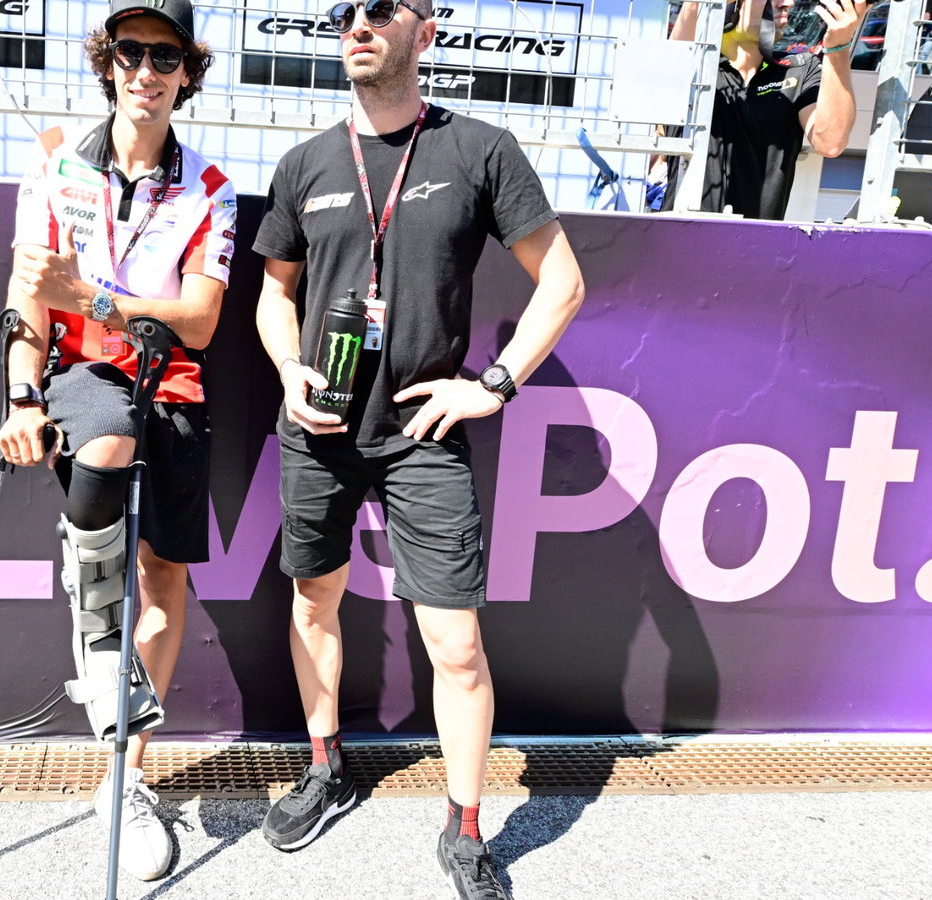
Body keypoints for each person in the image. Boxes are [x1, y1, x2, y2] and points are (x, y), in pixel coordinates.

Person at [251, 0, 585, 896]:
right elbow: (275, 296)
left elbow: (562, 281)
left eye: (379, 7)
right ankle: (325, 765)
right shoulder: (304, 164)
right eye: (342, 11)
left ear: (425, 30)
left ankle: (466, 828)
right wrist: (288, 371)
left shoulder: (479, 149)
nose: (357, 23)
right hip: (319, 429)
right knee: (313, 602)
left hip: (421, 435)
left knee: (457, 645)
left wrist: (493, 384)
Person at [0, 0, 234, 882]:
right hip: (87, 375)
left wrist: (94, 298)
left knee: (165, 580)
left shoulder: (210, 185)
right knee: (106, 444)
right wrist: (22, 395)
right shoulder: (56, 157)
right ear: (107, 63)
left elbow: (198, 322)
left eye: (165, 57)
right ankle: (95, 628)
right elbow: (29, 296)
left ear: (187, 73)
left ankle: (125, 776)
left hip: (172, 382)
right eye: (130, 52)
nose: (146, 71)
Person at [665, 0, 870, 219]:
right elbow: (688, 22)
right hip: (681, 232)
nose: (788, 3)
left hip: (758, 238)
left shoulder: (798, 69)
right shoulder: (695, 70)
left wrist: (838, 48)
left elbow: (830, 143)